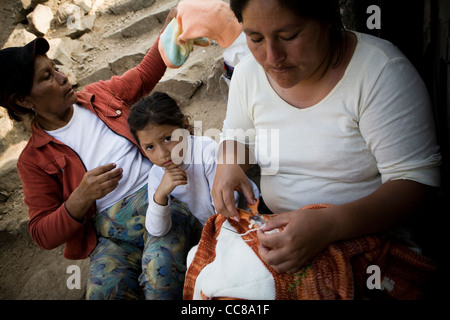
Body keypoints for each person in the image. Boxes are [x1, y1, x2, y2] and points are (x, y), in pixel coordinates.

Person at [212, 0, 441, 279]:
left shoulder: (379, 72)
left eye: (289, 36)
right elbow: (238, 136)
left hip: (369, 236)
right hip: (278, 227)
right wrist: (229, 164)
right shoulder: (248, 73)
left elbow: (416, 182)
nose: (272, 57)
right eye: (255, 38)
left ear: (327, 18)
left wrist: (329, 226)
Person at [0, 9, 199, 300]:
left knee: (160, 277)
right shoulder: (33, 160)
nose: (62, 77)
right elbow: (42, 233)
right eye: (47, 77)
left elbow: (144, 74)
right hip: (110, 239)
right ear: (23, 100)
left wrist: (167, 32)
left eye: (56, 68)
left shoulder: (99, 96)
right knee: (105, 292)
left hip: (160, 201)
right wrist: (80, 197)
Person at [127, 91, 260, 237]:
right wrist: (160, 195)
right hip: (217, 228)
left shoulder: (206, 151)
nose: (162, 154)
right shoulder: (156, 174)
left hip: (248, 216)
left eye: (167, 139)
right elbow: (157, 230)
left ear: (185, 126)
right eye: (150, 147)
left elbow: (228, 207)